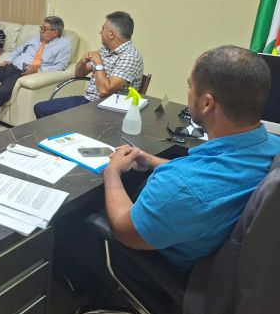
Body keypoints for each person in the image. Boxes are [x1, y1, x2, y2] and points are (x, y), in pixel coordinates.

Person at [104, 45, 280, 273]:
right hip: (228, 263)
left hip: (171, 271)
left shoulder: (182, 187)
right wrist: (153, 161)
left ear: (207, 103)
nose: (188, 92)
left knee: (80, 222)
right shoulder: (273, 146)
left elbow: (124, 230)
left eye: (190, 86)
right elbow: (210, 179)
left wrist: (112, 171)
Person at [0, 16, 71, 130]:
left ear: (55, 32)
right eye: (41, 27)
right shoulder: (36, 38)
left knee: (2, 91)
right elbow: (18, 50)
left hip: (23, 73)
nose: (40, 31)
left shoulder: (64, 45)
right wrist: (9, 59)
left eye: (44, 29)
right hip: (10, 66)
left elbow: (60, 67)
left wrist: (38, 69)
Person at [33, 11, 143, 119]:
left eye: (103, 29)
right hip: (89, 101)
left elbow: (104, 91)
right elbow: (79, 73)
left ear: (111, 34)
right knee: (40, 108)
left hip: (107, 111)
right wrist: (83, 61)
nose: (100, 32)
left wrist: (98, 63)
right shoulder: (106, 49)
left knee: (55, 118)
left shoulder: (130, 57)